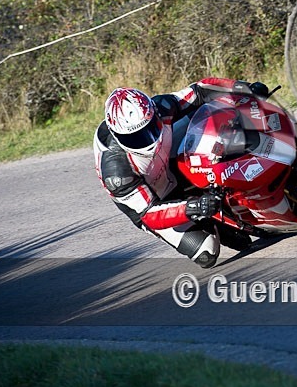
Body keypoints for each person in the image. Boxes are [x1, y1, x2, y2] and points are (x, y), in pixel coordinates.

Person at [93, 77, 269, 268]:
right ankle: (211, 221)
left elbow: (199, 91)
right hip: (156, 198)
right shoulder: (117, 174)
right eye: (136, 138)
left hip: (167, 158)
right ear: (118, 136)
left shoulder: (162, 107)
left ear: (153, 114)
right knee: (207, 253)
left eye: (151, 127)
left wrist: (242, 88)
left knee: (212, 116)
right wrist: (194, 207)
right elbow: (149, 213)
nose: (149, 139)